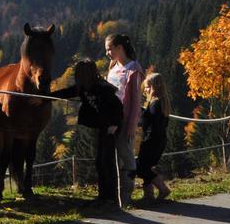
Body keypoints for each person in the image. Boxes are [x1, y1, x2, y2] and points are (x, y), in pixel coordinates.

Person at [53, 59, 124, 206]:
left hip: (110, 127)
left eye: (78, 73)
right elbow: (67, 92)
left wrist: (115, 125)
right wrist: (46, 96)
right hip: (101, 127)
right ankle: (103, 196)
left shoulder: (102, 87)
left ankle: (111, 198)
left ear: (84, 74)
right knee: (100, 162)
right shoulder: (84, 87)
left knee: (107, 161)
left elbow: (117, 106)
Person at [104, 34, 143, 201]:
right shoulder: (112, 66)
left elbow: (136, 100)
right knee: (113, 158)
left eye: (109, 49)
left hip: (124, 120)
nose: (107, 53)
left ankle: (126, 195)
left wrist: (132, 125)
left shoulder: (133, 69)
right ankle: (115, 194)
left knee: (126, 156)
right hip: (111, 119)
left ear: (120, 48)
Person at [137, 72, 172, 201]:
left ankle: (163, 189)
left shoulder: (155, 103)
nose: (145, 90)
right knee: (147, 167)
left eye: (147, 87)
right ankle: (148, 195)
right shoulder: (163, 102)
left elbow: (149, 122)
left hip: (152, 139)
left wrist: (140, 113)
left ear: (153, 87)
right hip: (160, 139)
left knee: (141, 168)